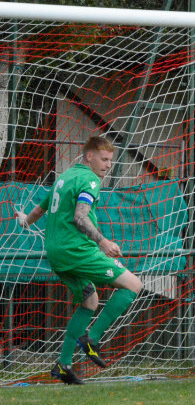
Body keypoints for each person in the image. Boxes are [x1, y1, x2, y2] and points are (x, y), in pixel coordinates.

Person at [15, 136, 143, 385]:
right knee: (133, 285)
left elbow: (40, 210)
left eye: (110, 160)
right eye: (104, 159)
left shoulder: (65, 177)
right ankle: (92, 338)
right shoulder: (90, 180)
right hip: (78, 251)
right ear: (89, 156)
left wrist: (24, 221)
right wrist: (103, 242)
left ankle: (63, 366)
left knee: (90, 300)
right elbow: (80, 217)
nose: (107, 165)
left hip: (56, 253)